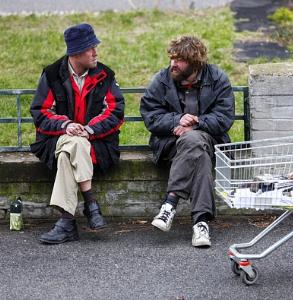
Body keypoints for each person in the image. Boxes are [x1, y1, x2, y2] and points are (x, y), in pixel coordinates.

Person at [30, 23, 125, 244]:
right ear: (76, 52)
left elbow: (115, 111)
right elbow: (41, 112)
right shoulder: (52, 74)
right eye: (90, 47)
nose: (95, 52)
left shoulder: (105, 74)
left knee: (69, 153)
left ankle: (67, 222)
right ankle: (90, 205)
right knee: (72, 143)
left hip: (98, 144)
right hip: (56, 139)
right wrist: (66, 126)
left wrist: (88, 130)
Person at [140, 36, 234, 247]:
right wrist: (176, 120)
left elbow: (225, 117)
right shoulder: (162, 80)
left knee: (194, 140)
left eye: (179, 59)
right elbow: (150, 115)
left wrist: (197, 122)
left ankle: (170, 204)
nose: (173, 63)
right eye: (172, 58)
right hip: (170, 143)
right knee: (198, 153)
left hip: (210, 139)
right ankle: (201, 223)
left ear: (194, 62)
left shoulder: (217, 78)